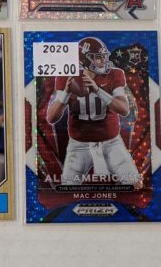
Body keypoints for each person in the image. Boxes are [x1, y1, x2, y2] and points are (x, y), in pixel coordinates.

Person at [46, 37, 141, 187]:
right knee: (68, 189)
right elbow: (51, 118)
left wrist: (98, 90)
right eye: (98, 57)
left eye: (103, 56)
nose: (103, 61)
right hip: (79, 145)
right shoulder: (67, 77)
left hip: (111, 143)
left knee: (136, 185)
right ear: (84, 60)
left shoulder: (115, 74)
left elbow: (124, 109)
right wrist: (65, 93)